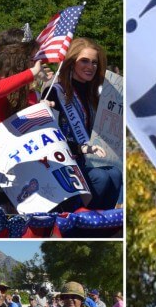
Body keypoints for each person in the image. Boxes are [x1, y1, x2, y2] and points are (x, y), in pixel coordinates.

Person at [43, 37, 122, 210]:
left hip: (87, 159)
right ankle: (82, 219)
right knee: (100, 177)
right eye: (84, 61)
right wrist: (79, 148)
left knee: (115, 174)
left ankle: (102, 224)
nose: (90, 66)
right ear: (71, 62)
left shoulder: (95, 95)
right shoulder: (55, 92)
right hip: (62, 163)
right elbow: (49, 136)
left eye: (94, 62)